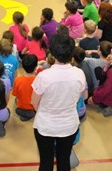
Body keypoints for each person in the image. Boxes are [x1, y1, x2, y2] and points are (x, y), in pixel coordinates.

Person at [32, 32, 86, 171]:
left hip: (45, 126)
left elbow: (34, 103)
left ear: (52, 53)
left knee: (46, 162)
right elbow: (83, 96)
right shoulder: (79, 74)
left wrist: (47, 111)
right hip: (69, 125)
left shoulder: (43, 77)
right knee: (63, 162)